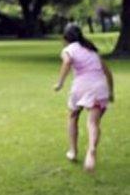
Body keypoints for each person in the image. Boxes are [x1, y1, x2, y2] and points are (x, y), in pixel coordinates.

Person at [53, 24, 114, 172]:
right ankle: (91, 149)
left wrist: (60, 83)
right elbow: (108, 72)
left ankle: (73, 151)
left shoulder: (68, 49)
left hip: (82, 86)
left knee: (73, 116)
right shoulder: (92, 50)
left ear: (65, 37)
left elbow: (67, 62)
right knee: (93, 123)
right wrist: (111, 92)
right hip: (100, 87)